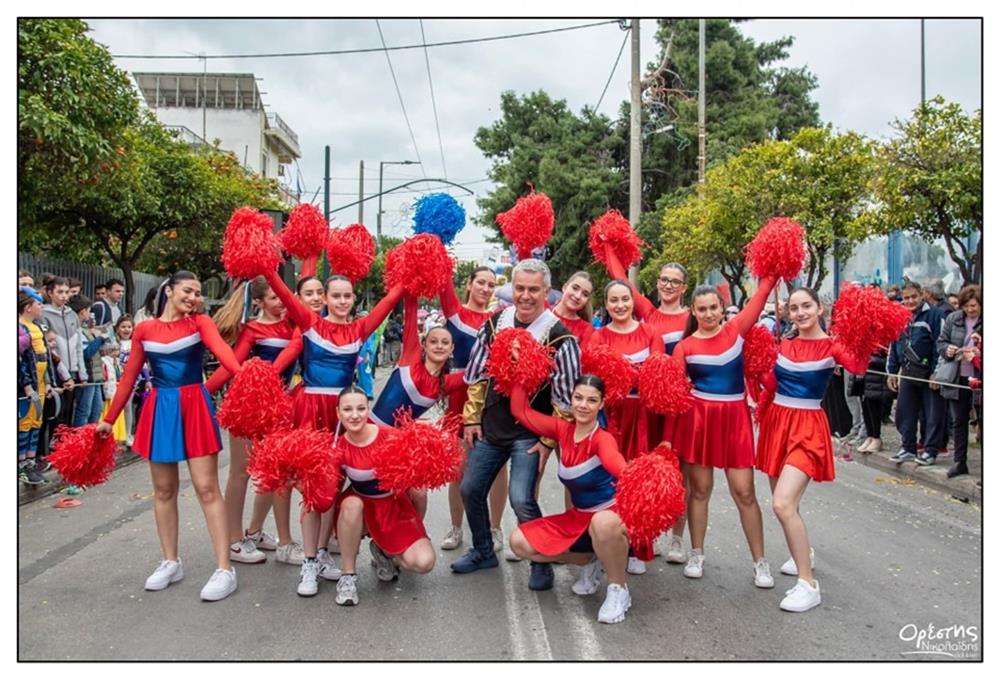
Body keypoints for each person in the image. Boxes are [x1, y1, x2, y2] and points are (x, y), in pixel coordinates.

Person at [97, 271, 245, 602]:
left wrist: (245, 378)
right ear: (169, 290)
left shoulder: (200, 322)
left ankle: (225, 568)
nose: (193, 297)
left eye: (197, 293)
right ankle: (170, 561)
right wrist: (109, 419)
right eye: (187, 291)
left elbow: (223, 353)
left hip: (194, 403)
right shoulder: (145, 329)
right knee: (164, 490)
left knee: (207, 488)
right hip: (161, 407)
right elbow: (129, 378)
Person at [264, 267, 404, 597]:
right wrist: (265, 266)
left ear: (353, 300)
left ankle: (324, 551)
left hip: (344, 413)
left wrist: (409, 272)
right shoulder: (310, 323)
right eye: (335, 296)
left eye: (347, 296)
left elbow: (389, 300)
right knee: (312, 489)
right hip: (311, 411)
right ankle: (309, 562)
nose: (342, 301)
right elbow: (284, 293)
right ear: (324, 299)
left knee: (334, 485)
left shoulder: (359, 329)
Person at [451, 258, 581, 592]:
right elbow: (477, 375)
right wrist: (470, 418)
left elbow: (566, 398)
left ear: (547, 292)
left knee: (521, 497)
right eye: (520, 288)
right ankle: (483, 550)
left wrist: (550, 441)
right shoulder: (496, 323)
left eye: (533, 290)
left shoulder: (560, 336)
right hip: (492, 428)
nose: (525, 296)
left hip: (530, 433)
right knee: (470, 488)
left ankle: (540, 560)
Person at [755, 287, 869, 612]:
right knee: (787, 504)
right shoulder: (784, 345)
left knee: (782, 503)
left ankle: (808, 584)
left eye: (807, 306)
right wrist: (761, 414)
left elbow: (859, 366)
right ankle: (804, 553)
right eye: (794, 307)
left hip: (807, 428)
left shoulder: (833, 346)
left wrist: (866, 331)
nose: (800, 312)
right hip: (777, 424)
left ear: (820, 309)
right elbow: (771, 386)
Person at [668, 277, 777, 587]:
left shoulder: (735, 331)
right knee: (700, 490)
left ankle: (760, 562)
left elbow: (762, 293)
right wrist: (669, 439)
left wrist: (772, 267)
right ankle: (697, 553)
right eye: (702, 309)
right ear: (693, 310)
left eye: (713, 307)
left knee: (744, 491)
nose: (708, 314)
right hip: (698, 421)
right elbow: (676, 396)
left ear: (722, 308)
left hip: (735, 419)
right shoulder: (684, 347)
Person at [508, 376, 635, 623]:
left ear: (601, 404)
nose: (583, 405)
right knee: (519, 542)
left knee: (602, 523)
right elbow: (520, 410)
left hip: (611, 517)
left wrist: (639, 478)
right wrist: (523, 368)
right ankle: (591, 559)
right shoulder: (562, 430)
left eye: (591, 400)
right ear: (571, 399)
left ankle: (619, 590)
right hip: (579, 519)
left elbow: (618, 466)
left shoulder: (602, 439)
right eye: (578, 398)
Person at [204, 276, 305, 569]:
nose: (281, 304)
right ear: (258, 302)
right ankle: (234, 539)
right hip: (248, 407)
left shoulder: (293, 325)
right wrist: (202, 393)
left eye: (282, 298)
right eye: (274, 299)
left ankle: (255, 531)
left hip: (279, 407)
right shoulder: (253, 329)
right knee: (241, 472)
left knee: (276, 472)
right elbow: (230, 364)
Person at [600, 249, 691, 564]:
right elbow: (620, 280)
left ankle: (660, 542)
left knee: (669, 477)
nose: (667, 285)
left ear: (684, 287)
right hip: (621, 413)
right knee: (613, 477)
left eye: (674, 281)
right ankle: (611, 543)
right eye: (663, 280)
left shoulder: (690, 317)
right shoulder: (648, 314)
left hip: (663, 404)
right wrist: (609, 244)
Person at [330, 387, 436, 606]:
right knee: (350, 505)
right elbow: (326, 495)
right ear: (338, 413)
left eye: (360, 408)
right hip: (360, 506)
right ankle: (348, 576)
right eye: (347, 409)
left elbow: (417, 474)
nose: (355, 415)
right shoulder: (338, 447)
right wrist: (302, 484)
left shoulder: (389, 436)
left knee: (424, 563)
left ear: (368, 409)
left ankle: (385, 551)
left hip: (393, 506)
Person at [586, 279, 664, 575]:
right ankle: (608, 543)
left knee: (638, 479)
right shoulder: (599, 336)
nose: (620, 305)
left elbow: (658, 376)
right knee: (609, 481)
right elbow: (592, 378)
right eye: (613, 300)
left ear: (633, 301)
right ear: (605, 305)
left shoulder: (650, 332)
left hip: (642, 415)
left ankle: (638, 545)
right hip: (609, 416)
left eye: (625, 299)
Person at [437, 266, 511, 557]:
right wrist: (437, 238)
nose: (485, 288)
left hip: (491, 396)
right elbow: (443, 283)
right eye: (480, 282)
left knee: (498, 465)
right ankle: (456, 527)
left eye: (491, 284)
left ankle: (495, 528)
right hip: (459, 396)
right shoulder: (455, 312)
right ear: (468, 284)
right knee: (458, 466)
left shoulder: (500, 320)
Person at [888, 281, 946, 465]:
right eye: (906, 298)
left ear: (922, 295)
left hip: (929, 373)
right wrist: (891, 371)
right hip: (907, 372)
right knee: (904, 413)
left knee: (932, 414)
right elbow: (894, 343)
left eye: (914, 297)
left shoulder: (935, 315)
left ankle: (930, 450)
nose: (910, 301)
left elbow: (941, 344)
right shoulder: (899, 316)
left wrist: (937, 372)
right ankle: (908, 447)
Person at [936, 284, 982, 478]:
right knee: (959, 420)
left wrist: (979, 353)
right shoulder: (954, 319)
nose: (970, 310)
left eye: (974, 306)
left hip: (980, 376)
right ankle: (959, 461)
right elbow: (941, 342)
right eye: (967, 306)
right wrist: (948, 350)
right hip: (958, 375)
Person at [41, 276, 81, 425]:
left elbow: (78, 346)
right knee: (55, 414)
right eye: (60, 292)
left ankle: (64, 445)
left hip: (72, 370)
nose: (64, 295)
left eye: (66, 292)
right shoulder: (43, 315)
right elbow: (51, 349)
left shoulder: (72, 314)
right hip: (56, 371)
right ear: (50, 293)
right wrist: (64, 375)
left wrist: (80, 371)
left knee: (68, 413)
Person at [18, 288, 48, 485]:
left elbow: (47, 357)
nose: (41, 307)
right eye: (39, 303)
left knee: (37, 421)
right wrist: (27, 385)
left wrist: (50, 381)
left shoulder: (37, 326)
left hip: (41, 382)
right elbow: (21, 361)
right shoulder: (20, 327)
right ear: (28, 307)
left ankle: (31, 460)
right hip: (28, 384)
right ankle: (21, 465)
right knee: (25, 423)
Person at [552, 271, 596, 346]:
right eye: (575, 288)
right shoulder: (543, 312)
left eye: (585, 294)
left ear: (587, 301)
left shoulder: (587, 330)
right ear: (564, 287)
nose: (578, 296)